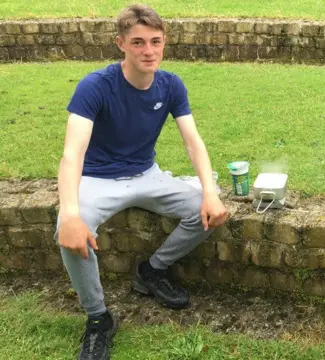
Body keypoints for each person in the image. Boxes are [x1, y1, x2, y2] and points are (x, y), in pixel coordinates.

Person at [55, 4, 228, 360]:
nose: (148, 51)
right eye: (137, 42)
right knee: (68, 228)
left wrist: (209, 193)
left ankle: (152, 270)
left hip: (148, 174)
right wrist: (71, 212)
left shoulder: (170, 84)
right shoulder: (95, 86)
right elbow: (72, 154)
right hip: (98, 178)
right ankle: (98, 318)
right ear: (120, 44)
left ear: (164, 42)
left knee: (207, 210)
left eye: (155, 41)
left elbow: (193, 142)